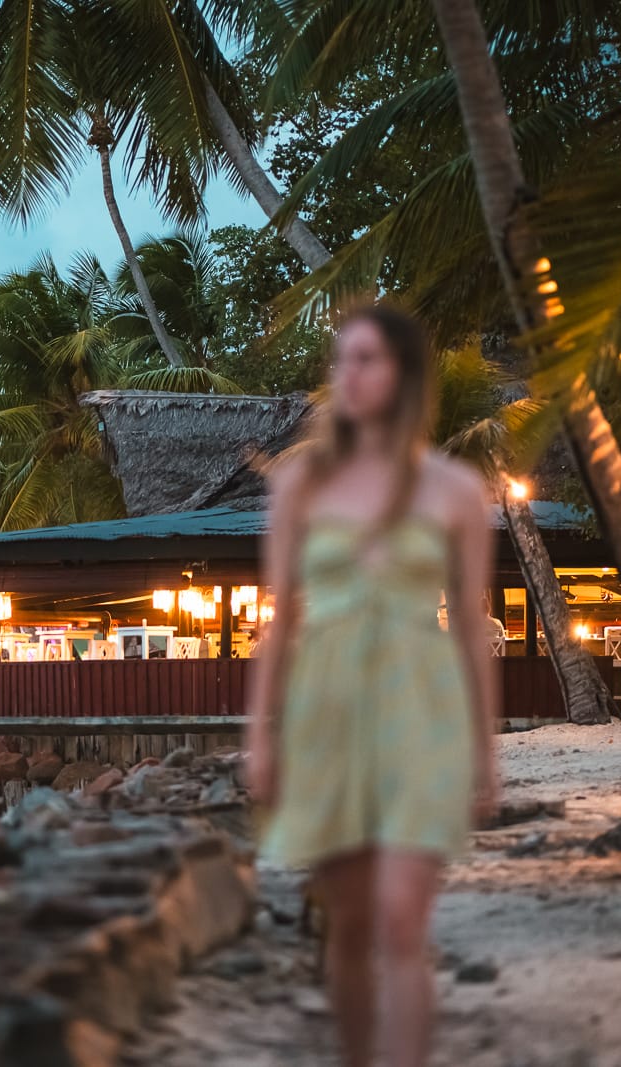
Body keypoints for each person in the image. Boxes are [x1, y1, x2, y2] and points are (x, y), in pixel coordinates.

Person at [246, 304, 500, 1067]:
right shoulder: (301, 488)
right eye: (340, 361)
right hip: (326, 714)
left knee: (399, 922)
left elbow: (470, 628)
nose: (347, 376)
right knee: (350, 927)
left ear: (403, 376)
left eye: (366, 360)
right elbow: (278, 622)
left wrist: (486, 751)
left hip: (423, 712)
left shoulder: (454, 490)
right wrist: (260, 734)